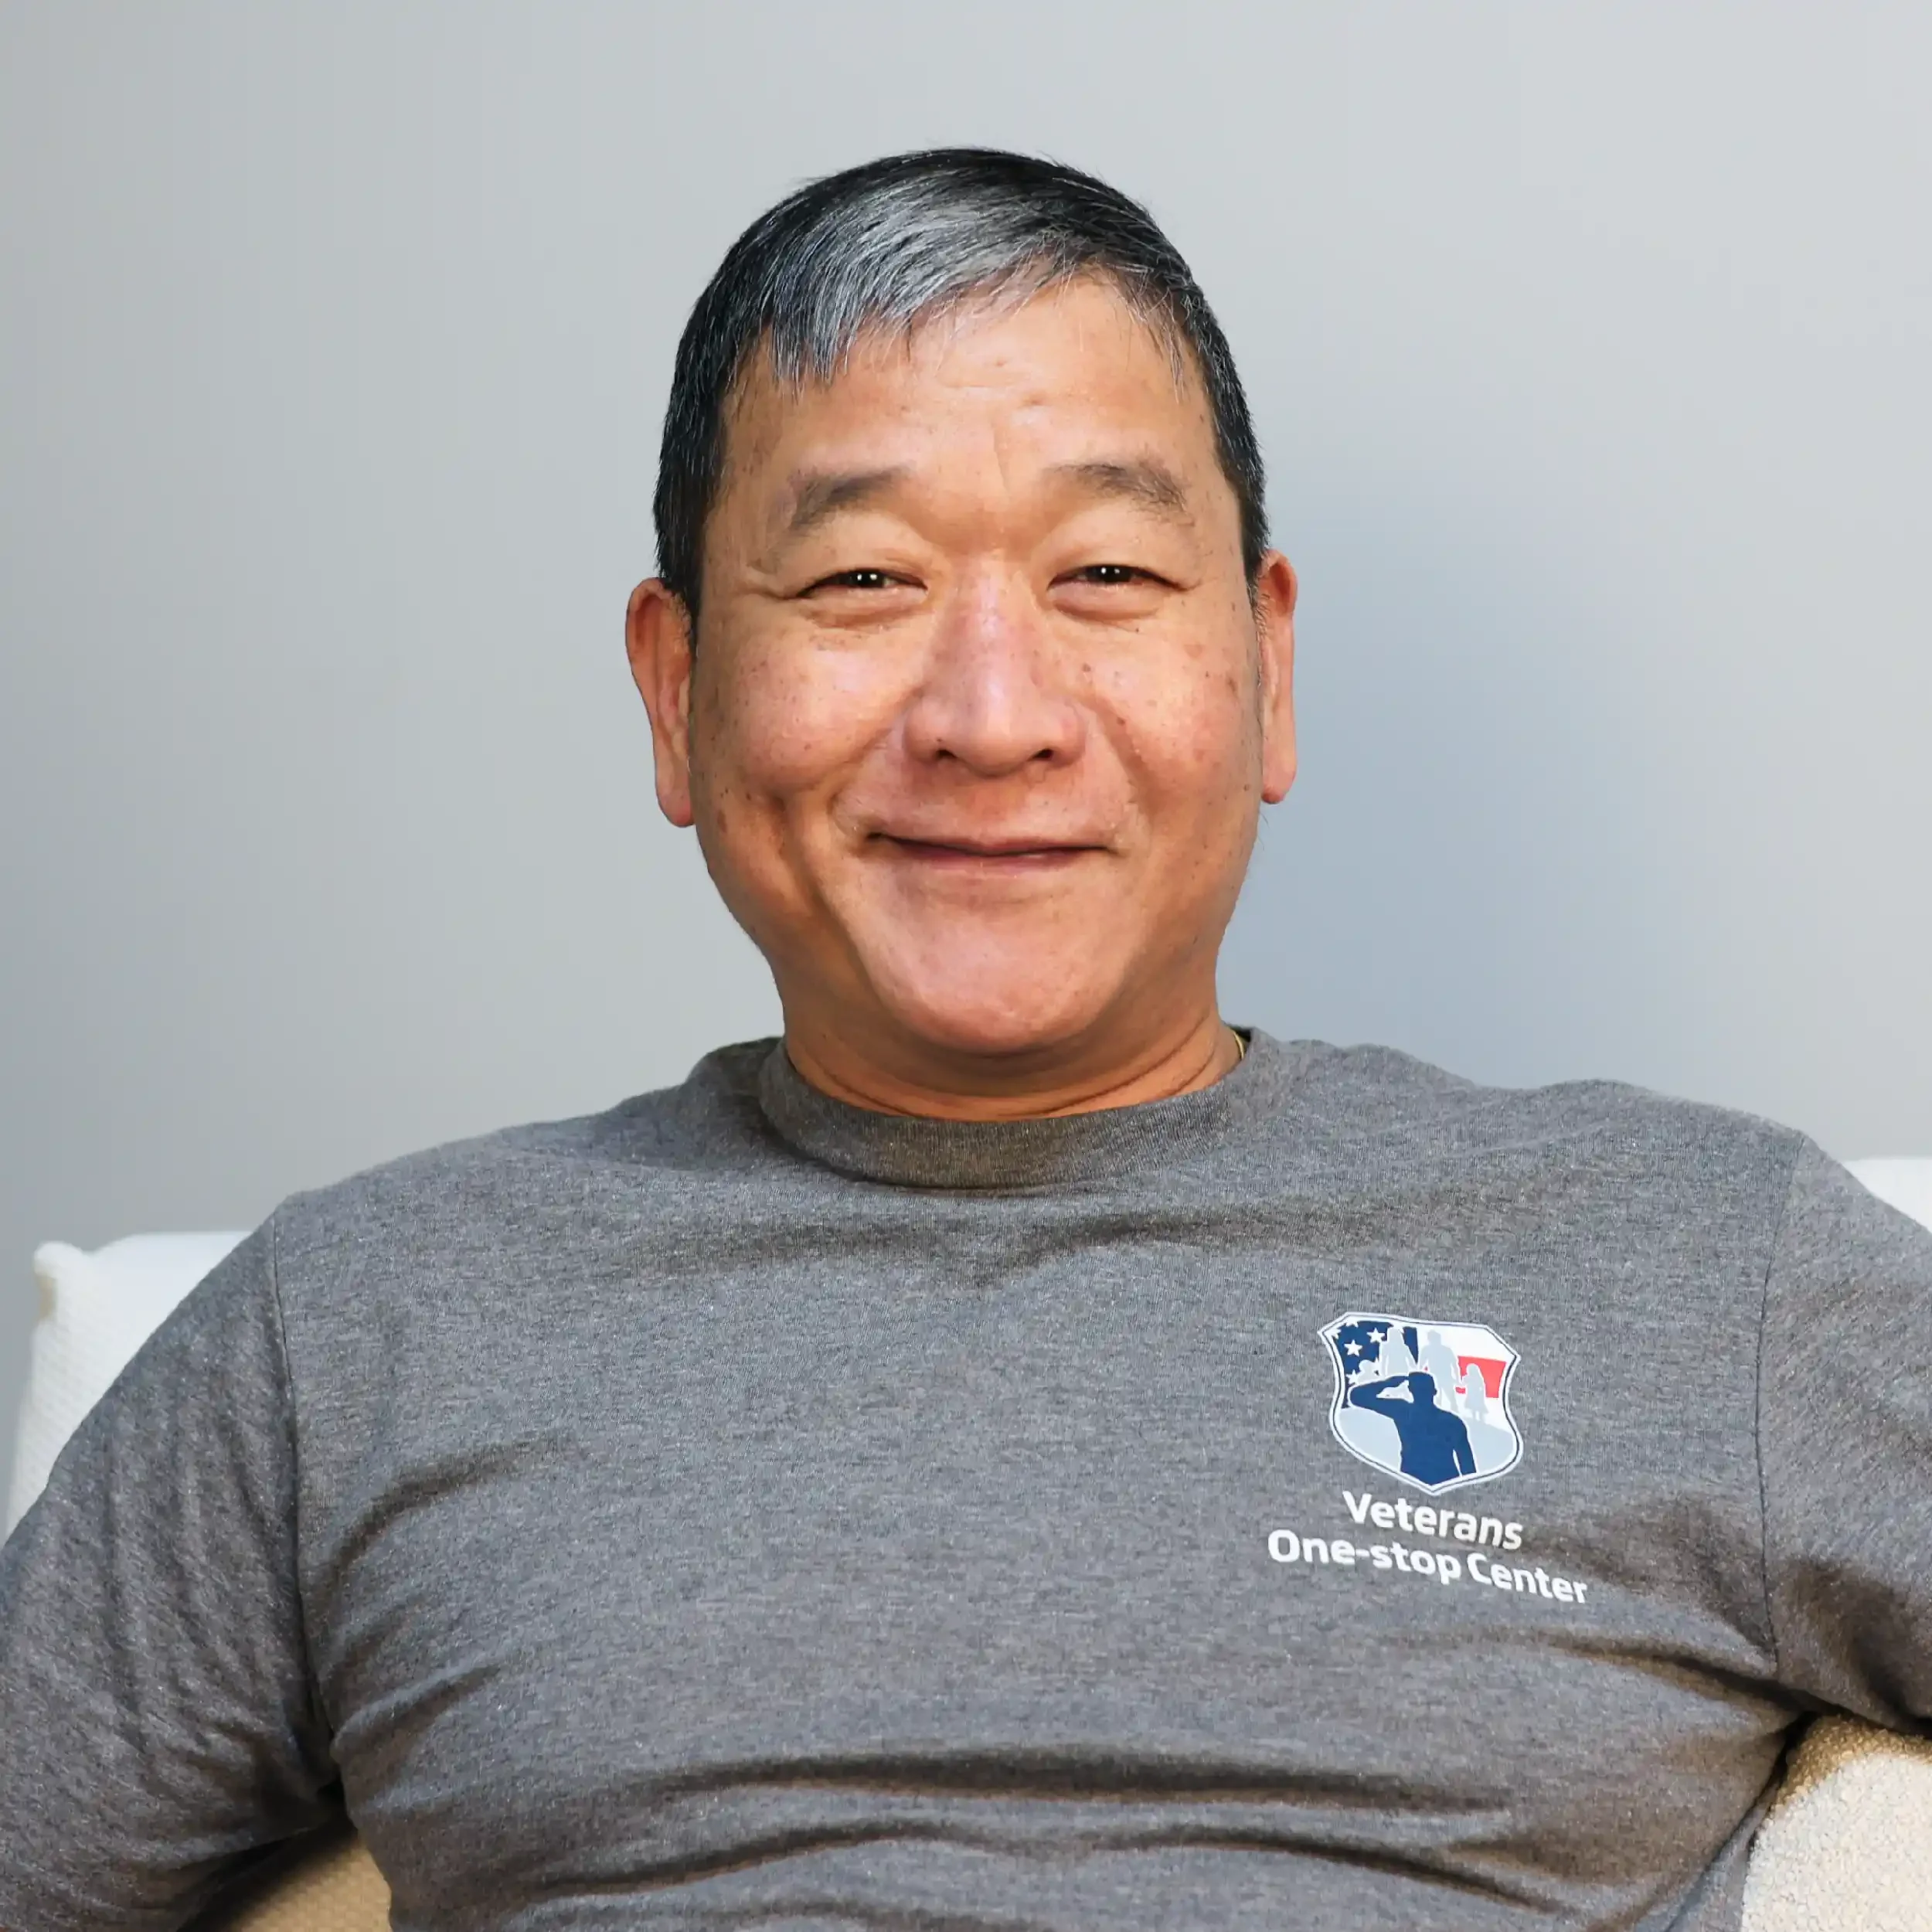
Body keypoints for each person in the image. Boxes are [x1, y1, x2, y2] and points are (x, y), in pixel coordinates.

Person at [2, 147, 1929, 1932]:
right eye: (862, 578)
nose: (992, 714)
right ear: (676, 689)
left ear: (1264, 667)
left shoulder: (1699, 1264)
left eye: (1106, 575)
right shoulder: (359, 1326)